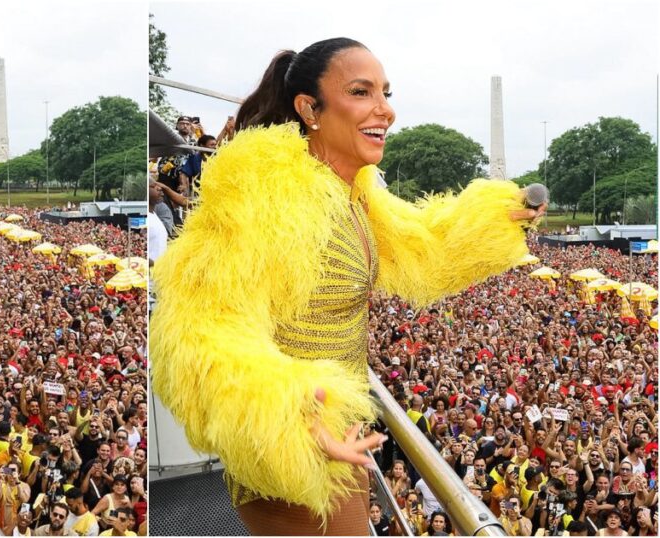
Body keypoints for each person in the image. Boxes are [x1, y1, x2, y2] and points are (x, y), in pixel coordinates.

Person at [150, 38, 545, 535]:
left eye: (386, 92)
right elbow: (200, 324)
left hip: (339, 438)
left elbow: (423, 247)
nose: (387, 111)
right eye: (362, 92)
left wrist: (499, 219)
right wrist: (292, 414)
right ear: (310, 108)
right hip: (292, 450)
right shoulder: (263, 192)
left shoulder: (351, 190)